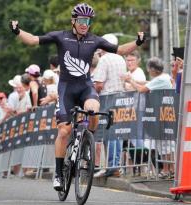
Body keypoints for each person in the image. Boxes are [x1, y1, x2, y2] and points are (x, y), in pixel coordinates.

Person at [10, 2, 145, 191]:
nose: (84, 24)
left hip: (85, 87)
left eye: (88, 20)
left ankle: (86, 143)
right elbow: (33, 40)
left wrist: (138, 42)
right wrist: (17, 31)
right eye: (81, 20)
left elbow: (121, 50)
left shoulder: (95, 40)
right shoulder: (61, 36)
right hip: (66, 89)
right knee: (64, 132)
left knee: (93, 112)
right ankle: (58, 174)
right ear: (74, 21)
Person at [93, 33, 126, 178]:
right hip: (122, 98)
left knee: (109, 133)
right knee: (116, 133)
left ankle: (112, 166)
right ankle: (115, 165)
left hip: (108, 98)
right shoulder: (121, 58)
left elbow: (99, 84)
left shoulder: (104, 59)